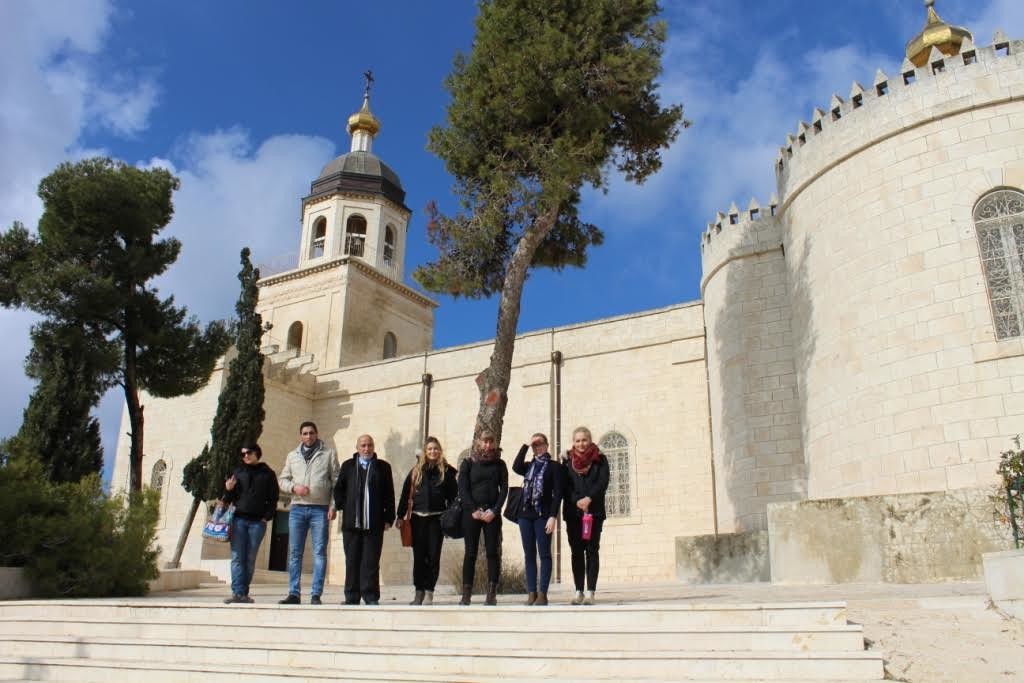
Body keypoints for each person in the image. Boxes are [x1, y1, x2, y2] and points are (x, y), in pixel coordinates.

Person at [278, 421, 339, 605]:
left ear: (317, 433)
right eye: (305, 433)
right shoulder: (292, 456)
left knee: (319, 552)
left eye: (311, 432)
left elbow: (336, 481)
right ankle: (294, 593)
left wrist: (333, 505)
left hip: (319, 509)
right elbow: (282, 480)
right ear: (300, 436)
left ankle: (315, 595)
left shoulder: (328, 454)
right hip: (297, 508)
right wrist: (294, 488)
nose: (308, 436)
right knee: (295, 553)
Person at [334, 434, 396, 605]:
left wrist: (389, 518)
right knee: (352, 560)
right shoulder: (348, 466)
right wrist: (342, 505)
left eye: (369, 445)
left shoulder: (383, 467)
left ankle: (370, 596)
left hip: (374, 524)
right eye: (363, 445)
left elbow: (389, 494)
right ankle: (351, 597)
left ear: (373, 447)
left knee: (370, 561)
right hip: (351, 523)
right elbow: (339, 489)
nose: (366, 448)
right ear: (357, 447)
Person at [396, 436, 458, 605]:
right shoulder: (416, 471)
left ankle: (429, 592)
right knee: (419, 557)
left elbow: (454, 499)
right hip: (417, 520)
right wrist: (400, 516)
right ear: (425, 451)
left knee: (433, 557)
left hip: (437, 520)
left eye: (435, 448)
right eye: (430, 449)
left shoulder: (447, 471)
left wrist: (450, 520)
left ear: (440, 451)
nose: (433, 451)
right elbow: (405, 495)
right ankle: (419, 592)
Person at [222, 443, 280, 604]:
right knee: (236, 557)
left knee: (250, 558)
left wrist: (266, 517)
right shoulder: (237, 472)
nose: (245, 456)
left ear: (257, 453)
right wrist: (228, 489)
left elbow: (273, 498)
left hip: (257, 523)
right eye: (243, 454)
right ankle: (237, 593)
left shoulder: (268, 474)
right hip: (238, 520)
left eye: (248, 452)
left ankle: (243, 592)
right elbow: (227, 499)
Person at [458, 430, 508, 606]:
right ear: (479, 443)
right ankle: (466, 595)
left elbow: (504, 490)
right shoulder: (468, 463)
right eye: (484, 442)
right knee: (470, 553)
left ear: (494, 443)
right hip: (471, 514)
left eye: (490, 442)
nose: (487, 445)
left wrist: (494, 511)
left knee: (492, 553)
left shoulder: (500, 464)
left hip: (491, 514)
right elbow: (462, 489)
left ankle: (491, 594)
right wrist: (473, 509)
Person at [511, 432, 562, 606]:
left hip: (543, 516)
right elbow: (515, 466)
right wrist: (526, 444)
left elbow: (558, 495)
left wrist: (553, 517)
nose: (538, 448)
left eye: (540, 444)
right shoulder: (528, 466)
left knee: (545, 554)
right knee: (529, 554)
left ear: (547, 445)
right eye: (535, 445)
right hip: (525, 515)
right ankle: (531, 592)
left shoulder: (555, 467)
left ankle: (543, 594)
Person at [561, 426, 609, 605]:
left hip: (594, 511)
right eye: (577, 440)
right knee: (576, 552)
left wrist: (589, 498)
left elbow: (603, 482)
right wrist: (577, 501)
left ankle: (590, 592)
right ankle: (578, 590)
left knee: (592, 550)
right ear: (573, 442)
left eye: (584, 440)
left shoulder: (600, 459)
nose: (581, 444)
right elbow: (565, 486)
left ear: (590, 440)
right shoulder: (567, 461)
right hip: (573, 512)